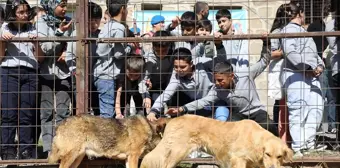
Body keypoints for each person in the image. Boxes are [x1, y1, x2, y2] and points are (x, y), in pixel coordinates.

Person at [280, 2, 326, 157]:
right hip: (296, 75)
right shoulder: (287, 30)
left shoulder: (303, 31)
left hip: (311, 75)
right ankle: (298, 147)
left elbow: (313, 53)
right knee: (298, 110)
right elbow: (290, 52)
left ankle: (308, 143)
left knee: (316, 108)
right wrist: (307, 68)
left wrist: (320, 65)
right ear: (300, 13)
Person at [0, 0, 41, 159]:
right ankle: (7, 150)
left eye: (26, 12)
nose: (25, 16)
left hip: (30, 72)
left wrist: (36, 42)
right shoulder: (4, 28)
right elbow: (0, 57)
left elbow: (40, 58)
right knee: (9, 114)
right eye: (20, 12)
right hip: (9, 71)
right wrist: (3, 41)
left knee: (27, 114)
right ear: (12, 14)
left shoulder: (32, 28)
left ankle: (26, 149)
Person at [213, 39, 278, 137]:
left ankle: (277, 147)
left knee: (269, 125)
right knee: (228, 130)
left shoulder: (246, 74)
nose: (217, 83)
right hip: (239, 113)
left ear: (231, 76)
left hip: (256, 111)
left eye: (220, 80)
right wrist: (184, 108)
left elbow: (264, 61)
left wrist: (266, 42)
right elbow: (204, 101)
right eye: (216, 80)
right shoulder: (218, 89)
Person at [147, 47, 229, 122]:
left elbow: (221, 61)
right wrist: (153, 111)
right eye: (176, 67)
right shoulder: (176, 77)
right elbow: (166, 94)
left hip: (215, 100)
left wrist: (219, 44)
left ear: (191, 64)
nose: (179, 70)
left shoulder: (203, 64)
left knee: (221, 118)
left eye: (183, 67)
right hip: (195, 105)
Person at [38, 0, 74, 156]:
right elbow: (45, 48)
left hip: (64, 72)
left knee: (63, 111)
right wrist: (59, 33)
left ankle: (61, 149)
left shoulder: (70, 21)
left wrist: (68, 50)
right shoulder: (41, 23)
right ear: (51, 6)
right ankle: (48, 149)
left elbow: (76, 42)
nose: (65, 9)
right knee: (46, 113)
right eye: (62, 5)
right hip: (45, 73)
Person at [95, 0, 132, 118]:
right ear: (122, 9)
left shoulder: (108, 25)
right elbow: (118, 54)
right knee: (107, 114)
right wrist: (129, 47)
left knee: (104, 110)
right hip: (107, 74)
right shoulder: (119, 28)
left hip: (100, 72)